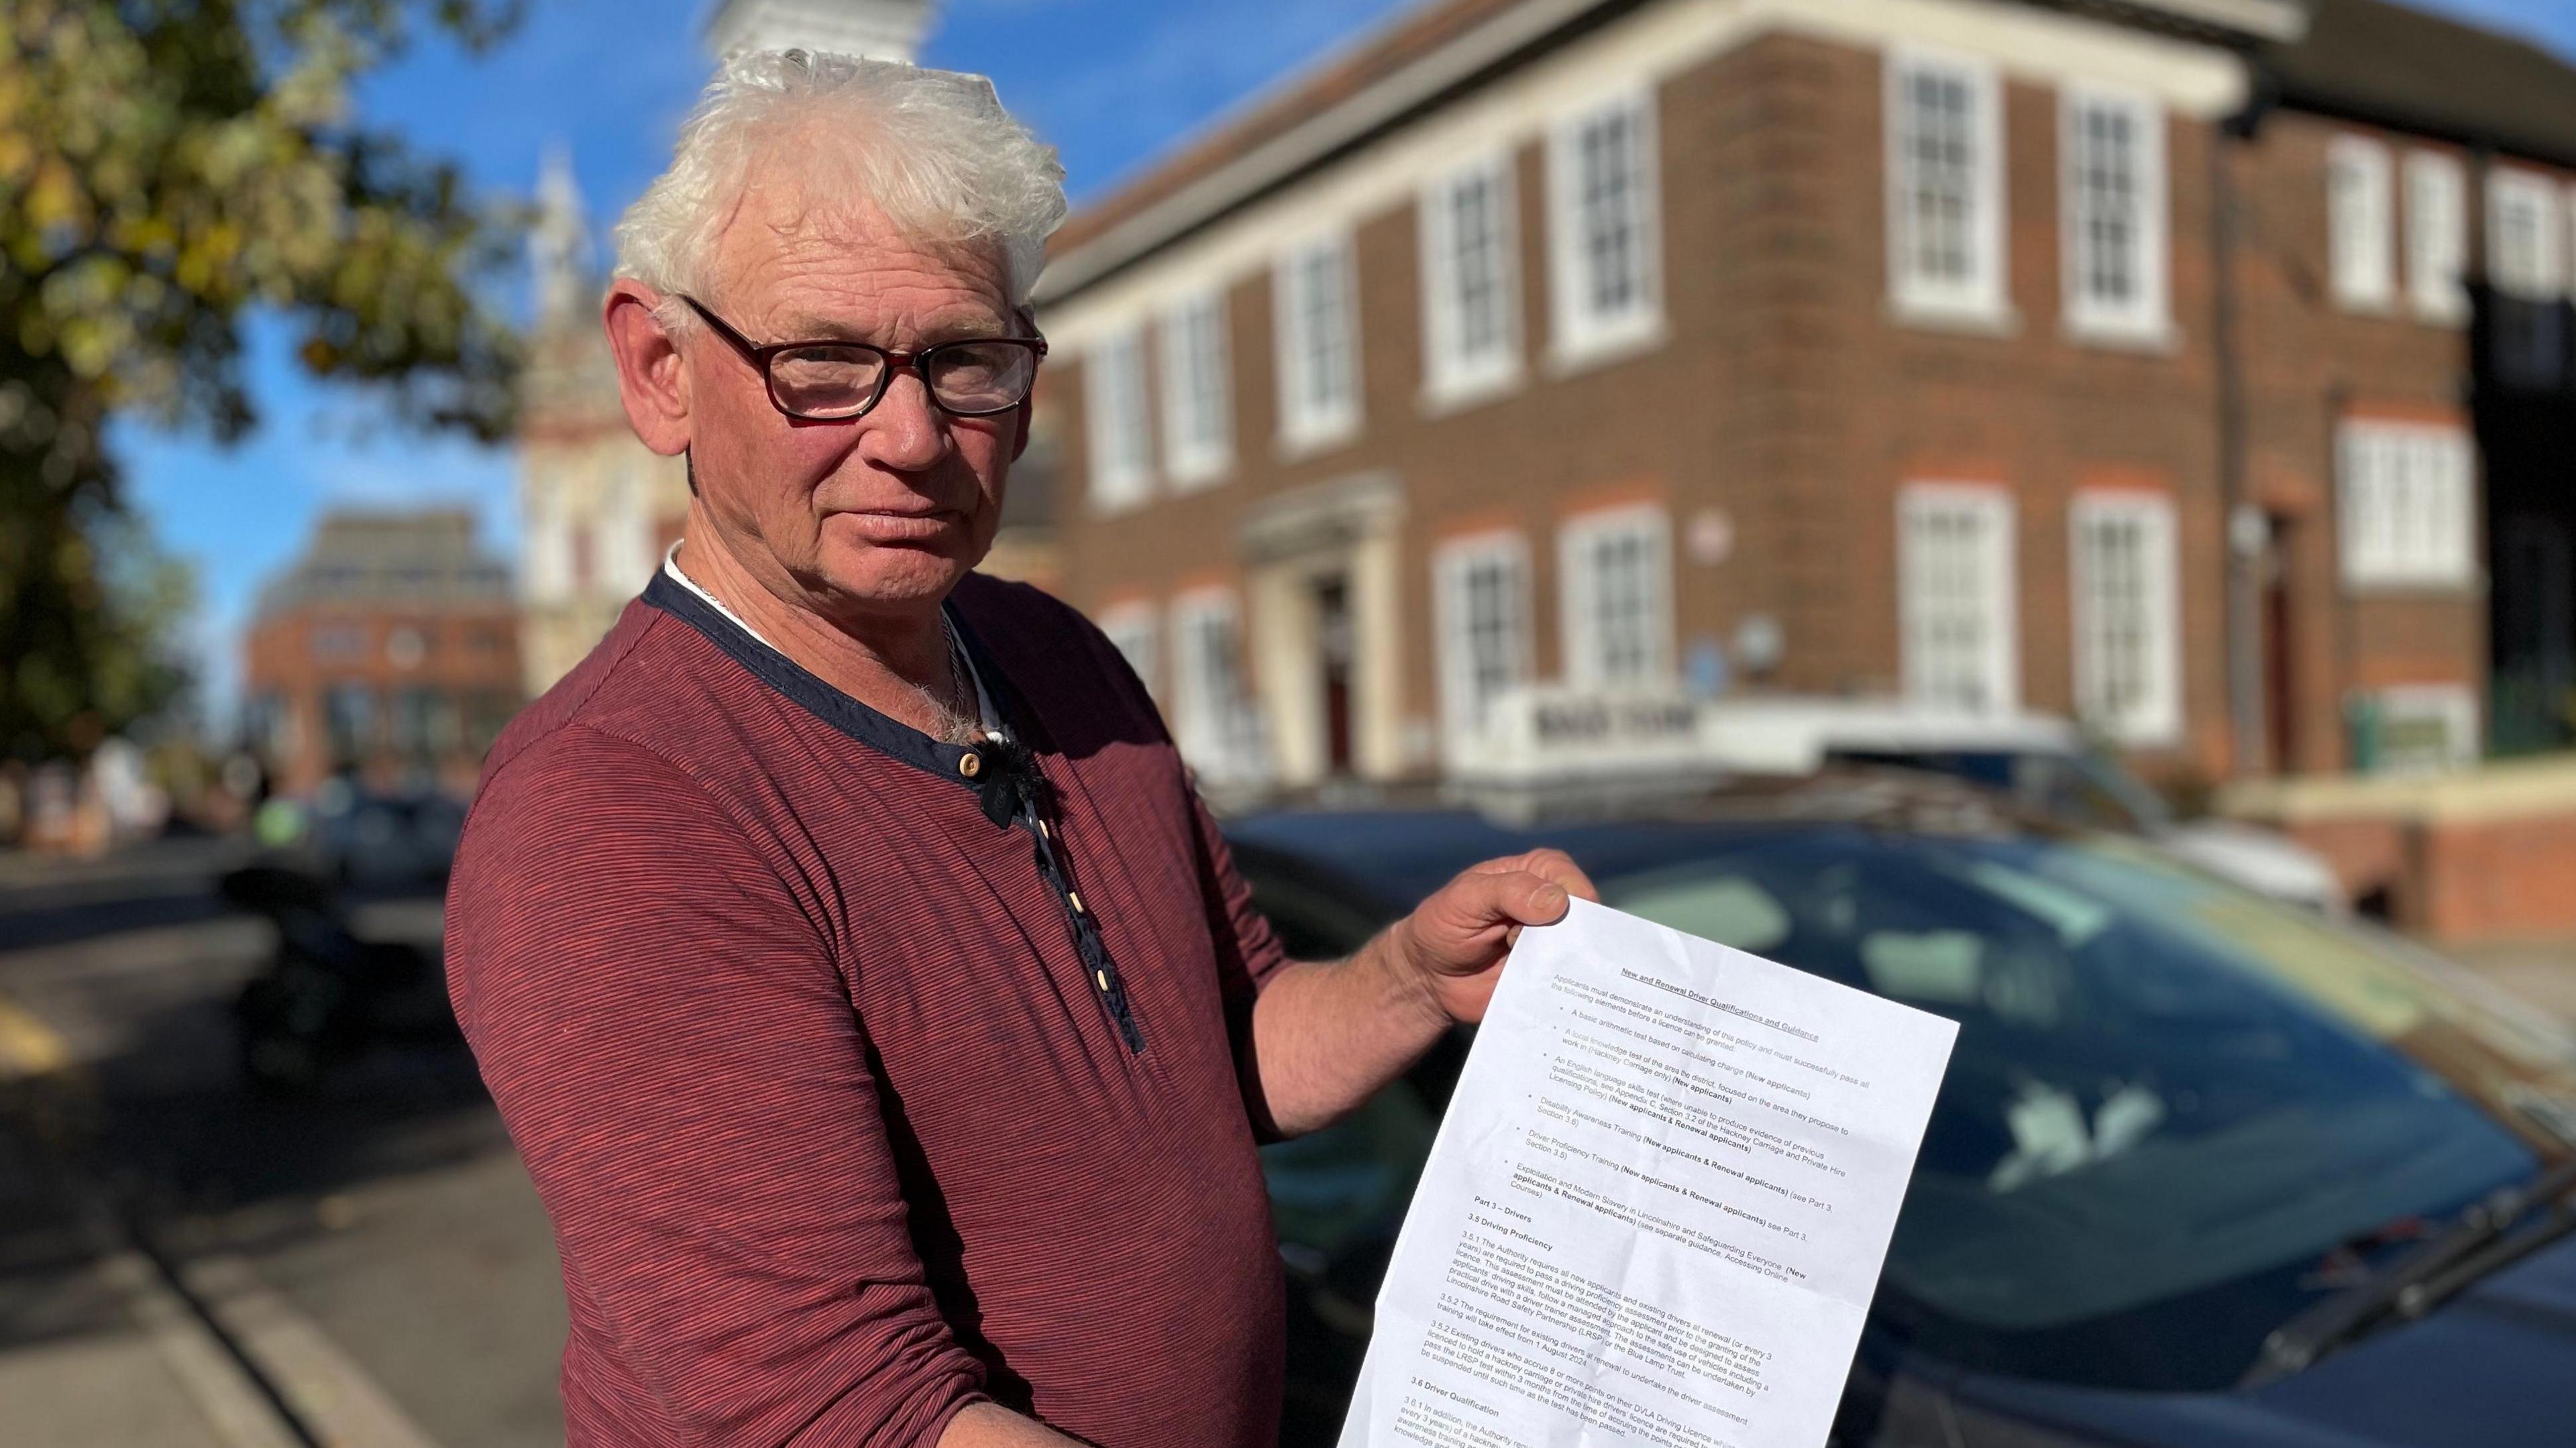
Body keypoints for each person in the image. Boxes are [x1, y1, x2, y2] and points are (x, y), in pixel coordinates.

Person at [446, 50, 1593, 1448]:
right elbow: (838, 1410)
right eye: (824, 363)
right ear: (661, 372)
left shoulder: (1054, 658)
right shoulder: (614, 807)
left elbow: (1217, 1057)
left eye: (966, 360)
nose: (916, 435)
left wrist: (1409, 978)